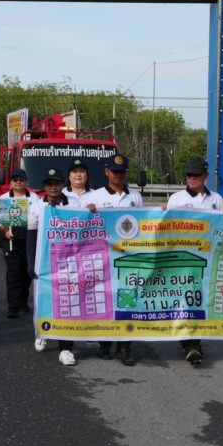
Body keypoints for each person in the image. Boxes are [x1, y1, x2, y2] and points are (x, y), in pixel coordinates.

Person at [165, 155, 223, 366]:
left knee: (200, 299)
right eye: (189, 175)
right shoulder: (176, 199)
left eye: (196, 175)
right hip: (183, 257)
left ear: (206, 175)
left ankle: (193, 342)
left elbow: (221, 227)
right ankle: (191, 344)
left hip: (206, 258)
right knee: (185, 298)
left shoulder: (216, 199)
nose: (192, 178)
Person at [86, 154, 142, 366]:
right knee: (105, 298)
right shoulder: (95, 196)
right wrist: (89, 212)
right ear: (106, 171)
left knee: (128, 299)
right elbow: (82, 224)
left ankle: (125, 347)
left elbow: (144, 222)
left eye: (122, 172)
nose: (118, 175)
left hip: (129, 257)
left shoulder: (135, 196)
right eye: (114, 171)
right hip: (103, 256)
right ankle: (104, 343)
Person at [28, 169, 80, 366]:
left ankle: (66, 349)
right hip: (43, 262)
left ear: (62, 185)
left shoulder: (74, 204)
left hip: (68, 261)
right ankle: (42, 333)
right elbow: (31, 237)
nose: (53, 187)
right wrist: (30, 263)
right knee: (44, 301)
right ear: (45, 186)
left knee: (68, 303)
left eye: (57, 183)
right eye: (49, 184)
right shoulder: (36, 206)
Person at [0, 168, 38, 320]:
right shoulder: (3, 198)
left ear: (26, 181)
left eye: (21, 180)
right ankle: (13, 307)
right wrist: (5, 231)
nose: (18, 182)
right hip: (11, 240)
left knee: (27, 273)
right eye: (15, 180)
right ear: (11, 182)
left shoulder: (34, 198)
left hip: (29, 240)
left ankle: (22, 300)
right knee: (13, 273)